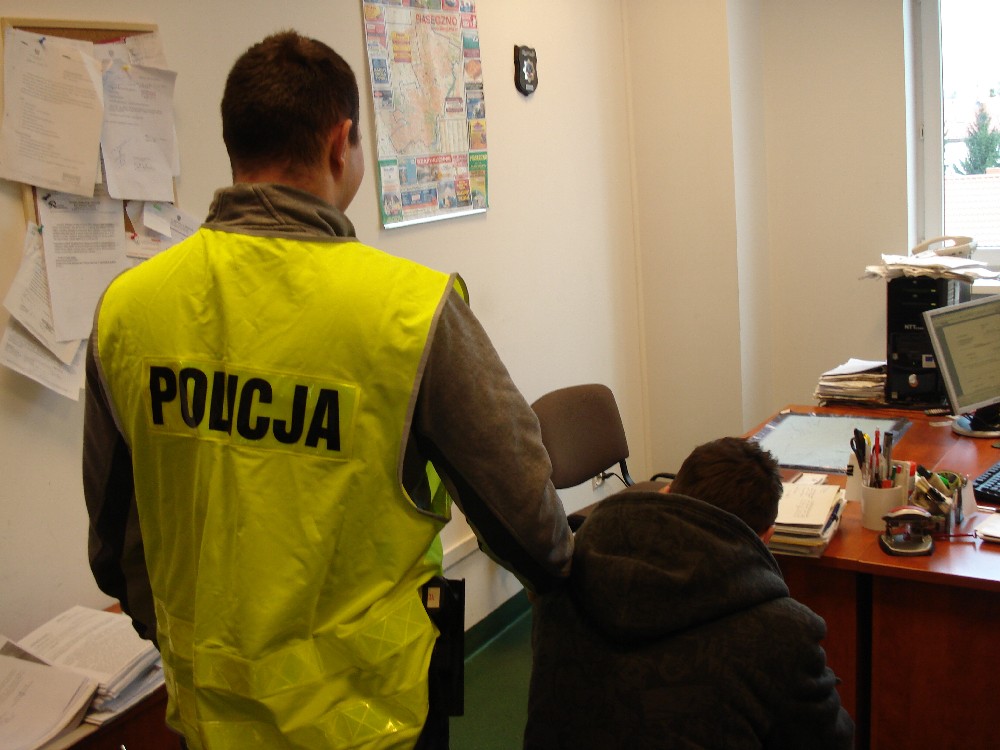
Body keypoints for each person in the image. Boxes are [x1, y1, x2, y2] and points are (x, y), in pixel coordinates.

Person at [82, 31, 573, 750]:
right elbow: (523, 511)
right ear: (341, 143)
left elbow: (114, 545)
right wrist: (566, 581)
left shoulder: (128, 310)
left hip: (210, 723)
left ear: (235, 145)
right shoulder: (409, 310)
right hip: (377, 721)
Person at [524, 437, 854, 749]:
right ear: (766, 537)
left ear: (666, 492)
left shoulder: (562, 581)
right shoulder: (782, 634)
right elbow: (832, 740)